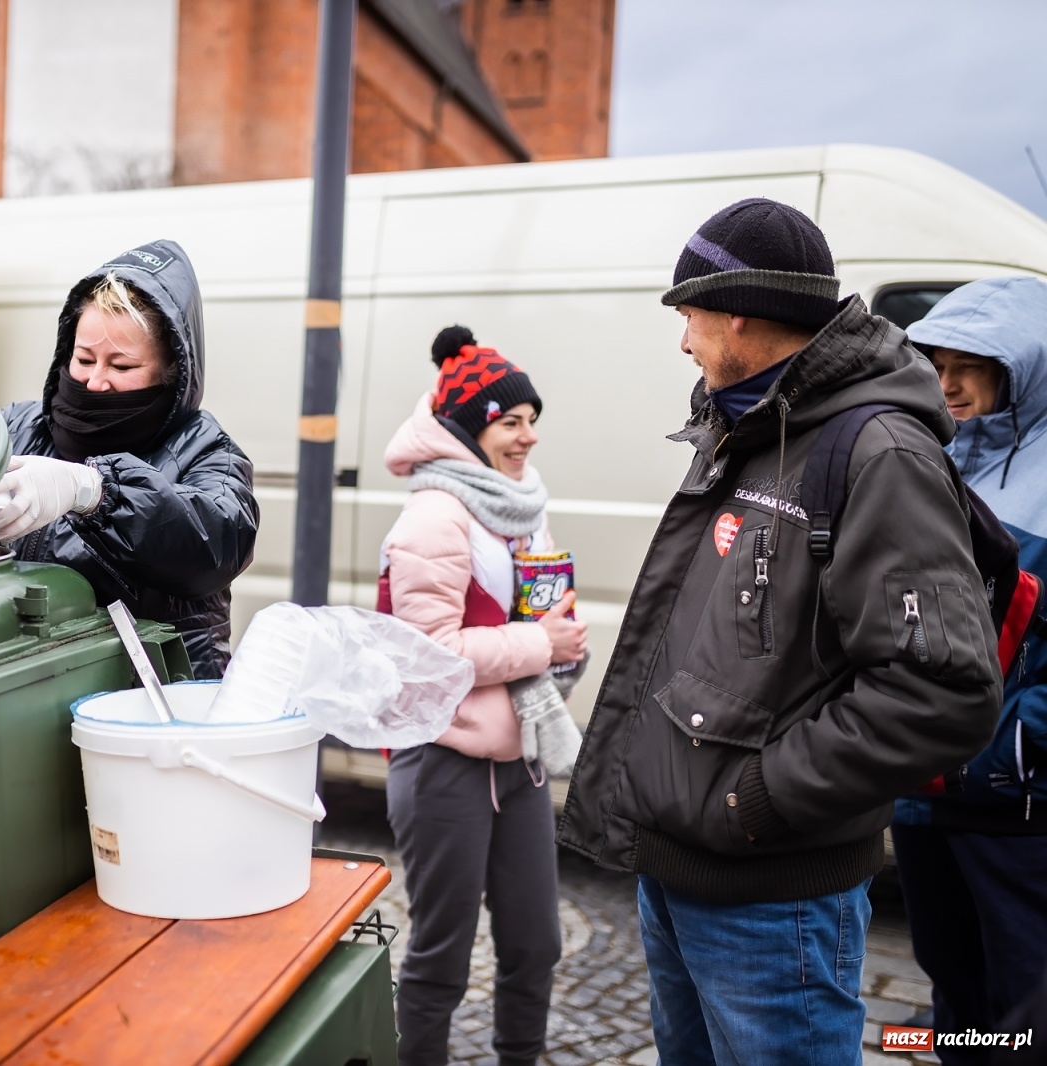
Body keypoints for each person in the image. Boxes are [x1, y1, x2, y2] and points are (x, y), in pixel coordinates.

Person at [558, 198, 1002, 1064]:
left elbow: (941, 690)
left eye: (687, 313)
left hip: (770, 902)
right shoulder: (749, 421)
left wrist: (753, 802)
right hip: (678, 874)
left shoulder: (879, 453)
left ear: (737, 312)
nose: (682, 339)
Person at [378, 326, 589, 1066]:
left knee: (536, 945)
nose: (529, 436)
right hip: (444, 764)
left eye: (532, 419)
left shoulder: (520, 505)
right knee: (441, 956)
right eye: (511, 421)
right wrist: (542, 646)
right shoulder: (434, 517)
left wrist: (562, 647)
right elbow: (429, 655)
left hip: (520, 759)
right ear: (470, 430)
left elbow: (536, 628)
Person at [0, 240, 258, 678]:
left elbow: (216, 543)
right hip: (19, 685)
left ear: (172, 370)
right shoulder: (15, 428)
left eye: (122, 366)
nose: (95, 382)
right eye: (84, 358)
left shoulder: (208, 452)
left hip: (152, 694)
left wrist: (98, 493)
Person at [891, 276, 1047, 1064]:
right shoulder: (923, 459)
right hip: (921, 792)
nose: (946, 382)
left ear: (1021, 369)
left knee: (1026, 1007)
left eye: (970, 365)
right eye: (936, 361)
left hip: (1015, 805)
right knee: (951, 992)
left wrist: (1023, 741)